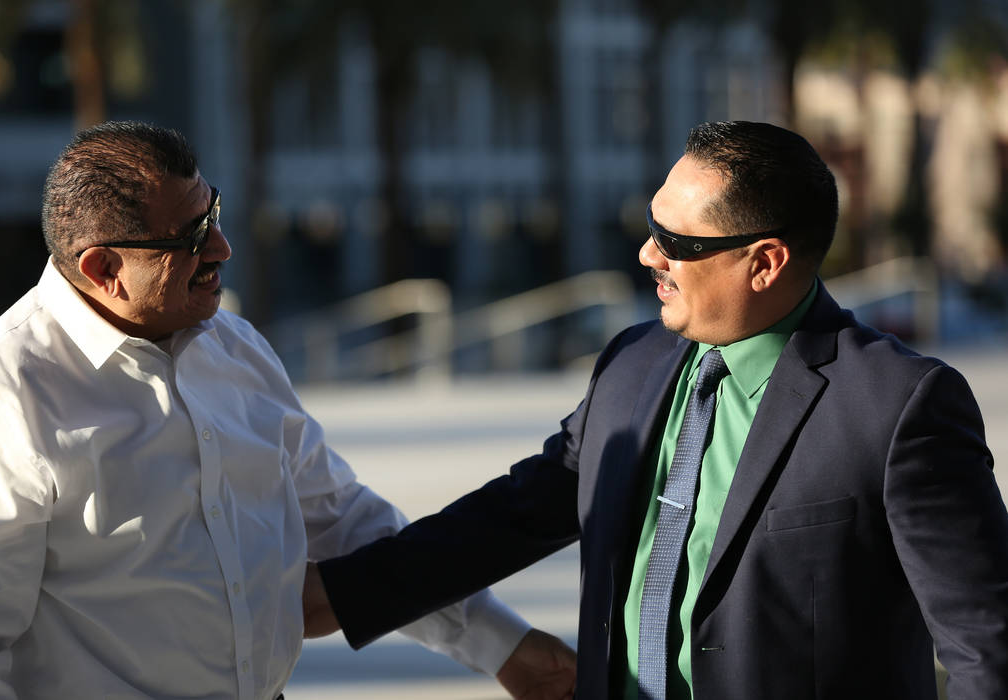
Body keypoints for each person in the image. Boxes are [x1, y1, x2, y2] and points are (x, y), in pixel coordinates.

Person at [306, 121, 1008, 699]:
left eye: (678, 243)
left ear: (764, 263)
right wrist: (343, 595)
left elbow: (986, 647)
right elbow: (509, 517)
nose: (648, 253)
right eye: (652, 225)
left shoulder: (898, 406)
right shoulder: (631, 366)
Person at [0, 121, 575, 699]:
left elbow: (345, 522)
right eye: (193, 237)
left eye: (214, 214)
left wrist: (505, 646)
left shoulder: (237, 349)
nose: (222, 247)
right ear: (104, 268)